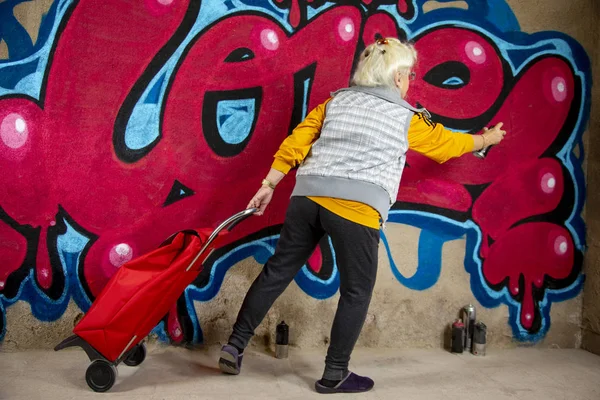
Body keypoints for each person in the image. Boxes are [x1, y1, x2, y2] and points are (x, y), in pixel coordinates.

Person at [218, 37, 506, 394]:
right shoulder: (406, 117)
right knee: (356, 291)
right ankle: (334, 372)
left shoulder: (335, 101)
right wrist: (485, 139)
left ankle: (234, 345)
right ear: (398, 76)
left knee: (277, 272)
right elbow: (447, 145)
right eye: (411, 74)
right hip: (355, 208)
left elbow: (299, 139)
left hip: (307, 196)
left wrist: (270, 183)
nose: (411, 81)